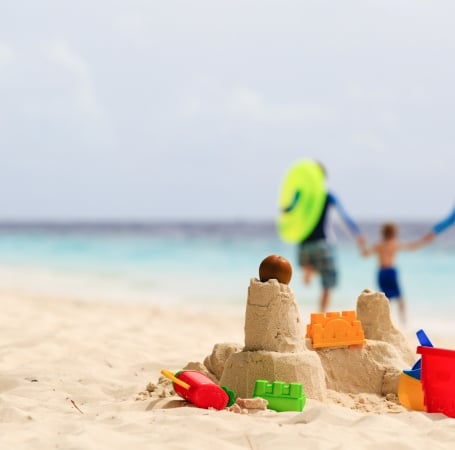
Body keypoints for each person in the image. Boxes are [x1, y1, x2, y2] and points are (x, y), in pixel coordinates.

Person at [284, 163, 365, 313]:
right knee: (328, 283)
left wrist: (284, 210)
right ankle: (321, 312)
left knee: (311, 267)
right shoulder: (327, 196)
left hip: (304, 245)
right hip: (323, 244)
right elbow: (343, 219)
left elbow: (288, 211)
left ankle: (308, 269)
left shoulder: (301, 195)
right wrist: (357, 235)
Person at [361, 222, 431, 324]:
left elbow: (365, 254)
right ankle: (401, 321)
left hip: (383, 272)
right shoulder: (393, 244)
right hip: (389, 272)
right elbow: (411, 247)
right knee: (396, 298)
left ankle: (390, 320)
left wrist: (362, 244)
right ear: (394, 233)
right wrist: (424, 240)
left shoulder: (380, 245)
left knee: (387, 299)